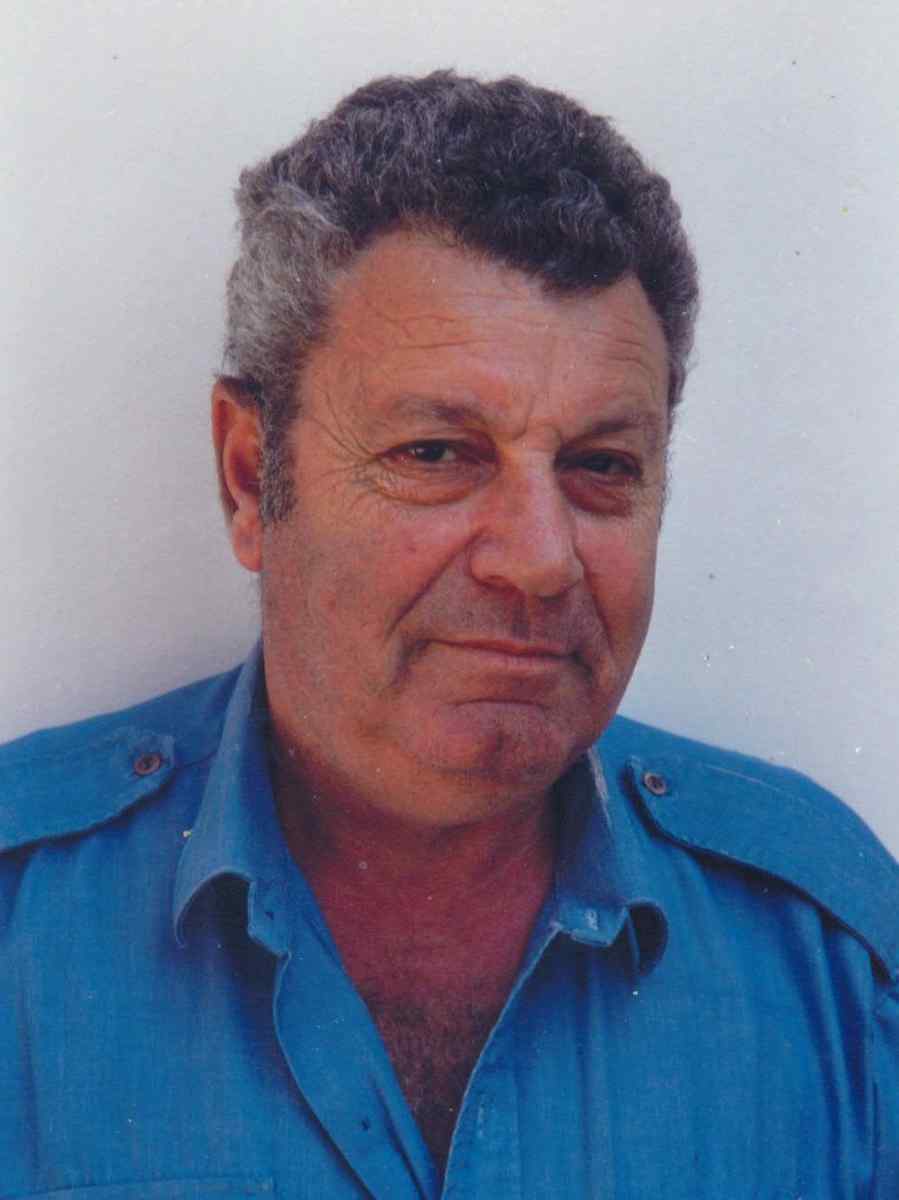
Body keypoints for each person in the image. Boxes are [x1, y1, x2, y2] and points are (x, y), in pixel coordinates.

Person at [2, 70, 897, 1199]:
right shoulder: (22, 924)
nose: (538, 557)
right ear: (248, 476)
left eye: (600, 466)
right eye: (435, 454)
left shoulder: (829, 959)